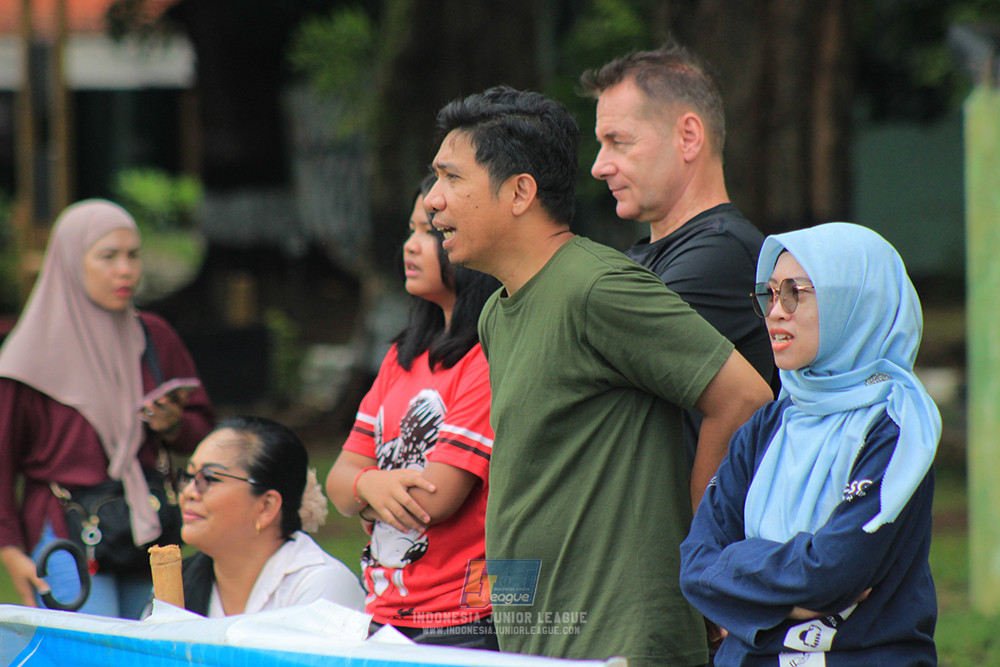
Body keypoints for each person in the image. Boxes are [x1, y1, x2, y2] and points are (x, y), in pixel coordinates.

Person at [424, 85, 772, 666]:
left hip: (622, 642)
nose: (434, 201)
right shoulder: (495, 312)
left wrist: (703, 557)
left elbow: (742, 397)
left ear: (519, 192)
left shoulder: (596, 288)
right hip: (537, 634)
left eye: (451, 178)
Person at [679, 223, 940, 665]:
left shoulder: (896, 428)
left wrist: (742, 572)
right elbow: (695, 565)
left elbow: (835, 571)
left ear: (855, 302)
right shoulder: (769, 424)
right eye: (769, 294)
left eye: (795, 293)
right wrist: (791, 595)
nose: (775, 312)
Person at [0, 199, 215, 619]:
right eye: (108, 256)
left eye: (133, 255)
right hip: (67, 531)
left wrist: (172, 425)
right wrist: (9, 549)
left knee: (153, 651)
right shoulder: (27, 357)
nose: (126, 270)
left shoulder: (153, 337)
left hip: (147, 528)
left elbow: (205, 433)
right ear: (69, 263)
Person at [581, 43, 777, 464]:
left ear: (688, 137)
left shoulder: (723, 255)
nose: (599, 166)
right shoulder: (646, 258)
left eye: (618, 141)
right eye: (601, 143)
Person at [326, 176, 501, 648]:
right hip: (385, 611)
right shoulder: (400, 356)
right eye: (410, 230)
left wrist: (366, 490)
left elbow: (434, 500)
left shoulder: (485, 358)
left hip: (465, 617)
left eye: (430, 232)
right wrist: (368, 484)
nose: (410, 246)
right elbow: (338, 482)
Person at [179, 416, 365, 616]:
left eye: (209, 478)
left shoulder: (322, 587)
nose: (189, 492)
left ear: (266, 506)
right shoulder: (180, 582)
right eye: (189, 476)